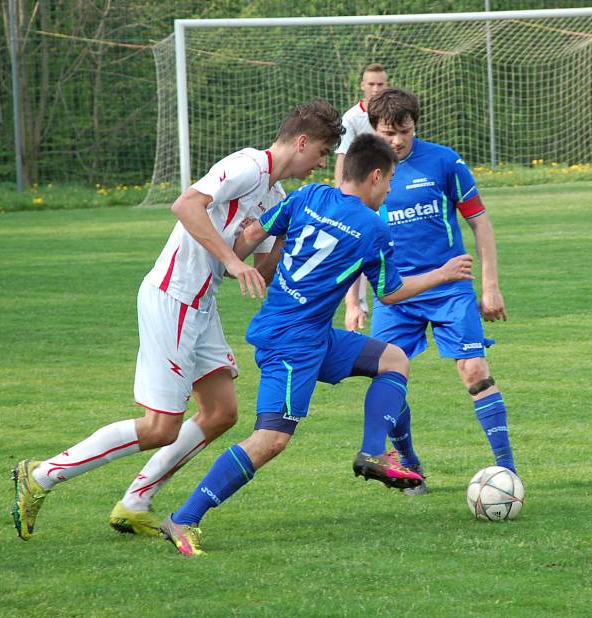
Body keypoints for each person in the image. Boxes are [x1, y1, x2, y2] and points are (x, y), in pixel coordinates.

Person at [11, 100, 343, 541]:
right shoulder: (246, 166)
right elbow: (186, 205)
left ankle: (135, 504)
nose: (321, 163)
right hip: (172, 298)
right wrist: (233, 259)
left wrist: (284, 236)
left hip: (201, 307)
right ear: (301, 142)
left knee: (222, 412)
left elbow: (245, 270)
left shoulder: (276, 197)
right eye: (321, 152)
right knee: (160, 427)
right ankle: (42, 474)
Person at [158, 133, 474, 556]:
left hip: (309, 333)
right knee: (271, 439)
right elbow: (392, 293)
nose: (390, 191)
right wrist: (444, 273)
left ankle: (377, 452)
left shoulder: (308, 196)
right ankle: (184, 518)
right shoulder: (372, 228)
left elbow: (252, 235)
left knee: (393, 359)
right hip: (293, 342)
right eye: (389, 182)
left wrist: (236, 265)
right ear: (375, 176)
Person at [344, 88, 518, 496]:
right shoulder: (368, 173)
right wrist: (354, 302)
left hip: (450, 287)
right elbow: (356, 238)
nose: (397, 141)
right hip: (397, 293)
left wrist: (490, 287)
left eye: (404, 131)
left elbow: (480, 223)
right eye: (388, 132)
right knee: (388, 376)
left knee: (475, 370)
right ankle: (410, 464)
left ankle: (508, 472)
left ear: (414, 125)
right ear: (374, 129)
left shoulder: (444, 162)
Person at [333, 63, 389, 324]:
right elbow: (343, 157)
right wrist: (341, 194)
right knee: (357, 243)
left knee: (384, 243)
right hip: (361, 192)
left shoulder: (393, 115)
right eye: (371, 84)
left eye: (381, 84)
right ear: (362, 86)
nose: (376, 89)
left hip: (387, 191)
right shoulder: (352, 118)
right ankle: (355, 303)